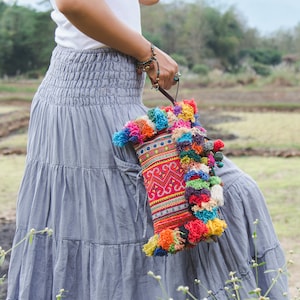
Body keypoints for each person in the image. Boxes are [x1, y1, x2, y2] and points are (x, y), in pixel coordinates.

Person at [6, 0, 289, 299]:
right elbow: (73, 3)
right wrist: (147, 52)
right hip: (85, 102)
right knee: (114, 229)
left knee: (221, 197)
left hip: (119, 95)